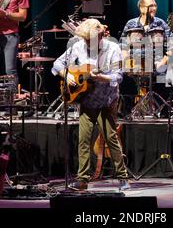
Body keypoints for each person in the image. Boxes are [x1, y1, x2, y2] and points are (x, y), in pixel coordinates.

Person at [52, 19, 130, 190]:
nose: (87, 42)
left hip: (107, 100)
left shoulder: (113, 49)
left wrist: (101, 77)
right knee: (83, 140)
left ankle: (123, 177)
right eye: (85, 39)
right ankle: (82, 180)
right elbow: (57, 64)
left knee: (111, 137)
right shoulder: (78, 46)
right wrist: (67, 75)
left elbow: (118, 76)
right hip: (87, 100)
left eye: (90, 39)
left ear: (101, 35)